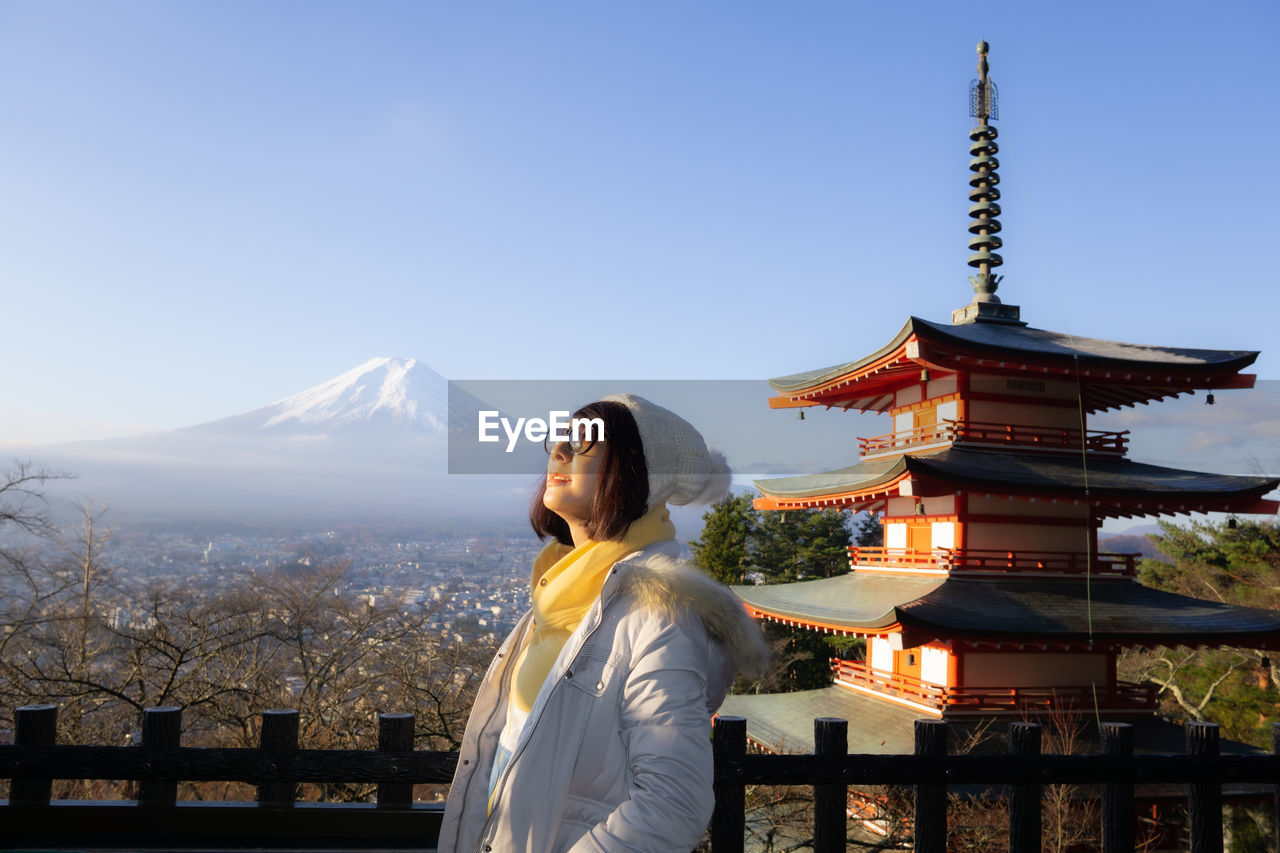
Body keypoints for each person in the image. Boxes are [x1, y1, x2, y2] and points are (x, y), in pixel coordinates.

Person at [439, 394, 771, 853]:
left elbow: (673, 804)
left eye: (583, 443)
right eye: (560, 440)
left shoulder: (658, 615)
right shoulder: (562, 596)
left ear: (636, 473)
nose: (559, 452)